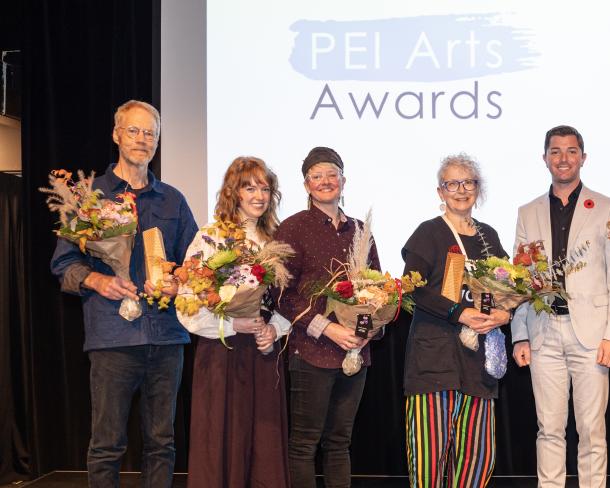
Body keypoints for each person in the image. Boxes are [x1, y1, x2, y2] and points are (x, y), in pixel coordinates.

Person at [50, 100, 198, 487]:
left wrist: (176, 278)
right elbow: (62, 265)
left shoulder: (173, 200)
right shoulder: (89, 197)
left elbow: (195, 265)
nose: (142, 139)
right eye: (134, 130)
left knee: (162, 444)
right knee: (107, 445)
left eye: (150, 133)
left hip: (166, 336)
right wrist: (98, 280)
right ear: (116, 134)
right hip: (112, 337)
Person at [511, 125, 610, 488]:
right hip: (543, 333)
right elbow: (519, 279)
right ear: (544, 158)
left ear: (583, 157)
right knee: (549, 429)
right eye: (556, 151)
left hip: (592, 336)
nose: (563, 158)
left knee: (592, 431)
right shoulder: (527, 211)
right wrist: (519, 336)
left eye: (571, 151)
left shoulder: (607, 206)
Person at [176, 156, 291, 486]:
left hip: (263, 353)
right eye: (249, 187)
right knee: (219, 441)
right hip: (220, 355)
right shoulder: (211, 238)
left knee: (264, 446)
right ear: (233, 192)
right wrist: (230, 326)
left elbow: (290, 300)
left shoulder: (277, 241)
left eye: (265, 188)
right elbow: (187, 303)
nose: (259, 195)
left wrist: (275, 329)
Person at [400, 154, 511, 487]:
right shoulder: (429, 233)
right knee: (430, 463)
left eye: (469, 182)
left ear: (478, 188)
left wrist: (506, 311)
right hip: (434, 363)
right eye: (452, 183)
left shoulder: (488, 236)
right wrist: (458, 312)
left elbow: (510, 286)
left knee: (477, 462)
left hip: (478, 366)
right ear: (440, 191)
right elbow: (412, 289)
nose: (461, 190)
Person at [274, 147, 380, 488]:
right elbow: (283, 296)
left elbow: (378, 290)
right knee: (304, 444)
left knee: (340, 443)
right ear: (306, 185)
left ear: (343, 180)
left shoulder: (361, 230)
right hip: (311, 351)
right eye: (317, 176)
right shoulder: (292, 228)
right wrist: (329, 329)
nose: (325, 182)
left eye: (331, 174)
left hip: (354, 353)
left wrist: (365, 332)